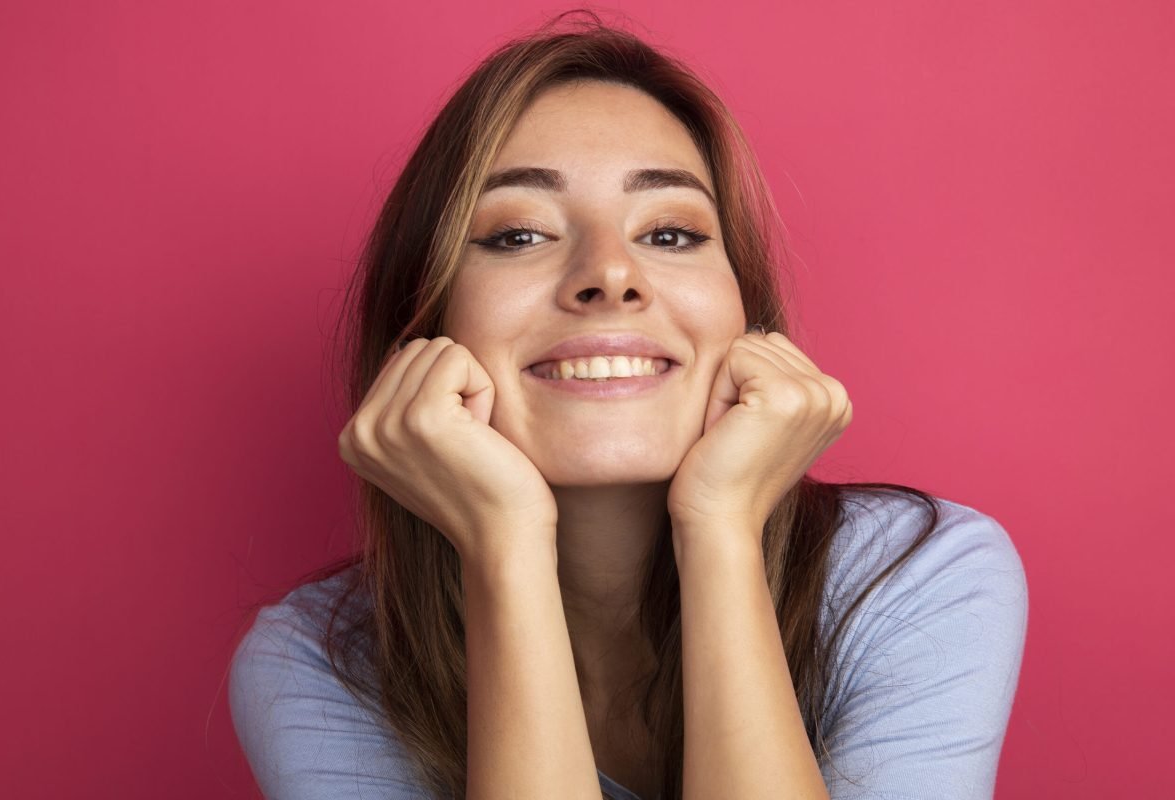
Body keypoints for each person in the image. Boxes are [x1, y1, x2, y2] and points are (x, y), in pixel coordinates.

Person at [227, 11, 1028, 800]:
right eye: (520, 234)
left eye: (671, 233)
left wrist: (720, 529)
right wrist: (503, 547)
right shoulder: (318, 663)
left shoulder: (917, 577)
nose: (610, 273)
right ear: (425, 323)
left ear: (745, 316)